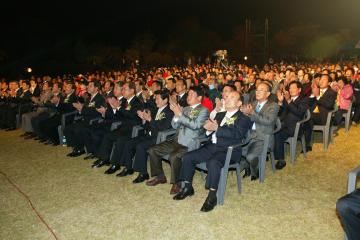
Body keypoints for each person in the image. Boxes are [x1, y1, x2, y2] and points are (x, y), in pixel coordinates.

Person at [174, 91, 252, 212]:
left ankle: (212, 196)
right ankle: (187, 187)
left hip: (229, 150)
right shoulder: (220, 115)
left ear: (239, 103)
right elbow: (209, 133)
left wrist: (217, 128)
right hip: (213, 146)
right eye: (226, 97)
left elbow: (238, 134)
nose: (227, 99)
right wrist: (209, 130)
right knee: (188, 156)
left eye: (232, 97)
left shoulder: (243, 118)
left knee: (213, 162)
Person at [146, 86, 209, 195]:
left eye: (191, 95)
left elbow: (196, 125)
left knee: (173, 156)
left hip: (189, 143)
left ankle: (177, 183)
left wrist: (180, 114)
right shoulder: (185, 109)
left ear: (199, 98)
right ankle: (160, 176)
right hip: (176, 140)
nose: (188, 97)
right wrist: (176, 115)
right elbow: (174, 126)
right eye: (188, 94)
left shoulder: (203, 111)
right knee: (153, 150)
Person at [115, 90, 174, 182]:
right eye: (155, 99)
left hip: (158, 138)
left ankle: (143, 173)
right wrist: (144, 119)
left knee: (140, 146)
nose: (155, 101)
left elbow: (163, 128)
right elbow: (149, 123)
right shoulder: (155, 109)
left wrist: (150, 119)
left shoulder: (169, 112)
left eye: (158, 99)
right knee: (129, 142)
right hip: (148, 134)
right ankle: (128, 168)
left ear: (165, 100)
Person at [240, 82, 279, 180]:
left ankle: (255, 171)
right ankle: (247, 166)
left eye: (261, 90)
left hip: (263, 137)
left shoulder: (273, 106)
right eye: (257, 89)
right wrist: (244, 113)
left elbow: (268, 121)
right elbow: (248, 119)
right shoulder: (253, 103)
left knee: (250, 156)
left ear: (268, 94)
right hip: (250, 135)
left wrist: (252, 112)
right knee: (237, 150)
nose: (257, 92)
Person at [274, 81, 309, 169]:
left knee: (278, 133)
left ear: (299, 89)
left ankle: (281, 159)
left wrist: (289, 100)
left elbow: (299, 112)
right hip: (283, 124)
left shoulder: (304, 99)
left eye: (293, 88)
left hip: (295, 127)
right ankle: (270, 152)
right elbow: (279, 114)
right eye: (290, 88)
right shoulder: (286, 99)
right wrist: (280, 102)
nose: (291, 90)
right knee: (271, 129)